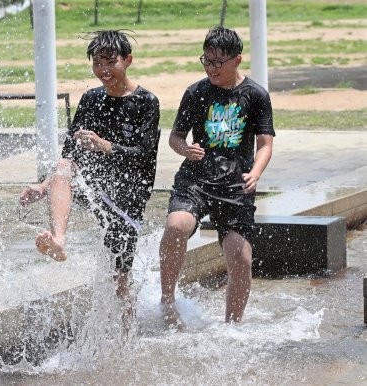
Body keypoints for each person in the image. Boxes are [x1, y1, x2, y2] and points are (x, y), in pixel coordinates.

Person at [19, 30, 161, 330]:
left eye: (110, 62)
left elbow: (145, 155)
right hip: (96, 187)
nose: (104, 70)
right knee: (61, 167)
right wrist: (43, 187)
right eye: (97, 63)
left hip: (128, 197)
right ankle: (59, 238)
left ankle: (127, 337)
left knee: (120, 279)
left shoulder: (146, 102)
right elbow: (70, 152)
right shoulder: (91, 99)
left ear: (128, 60)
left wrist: (104, 145)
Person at [159, 26, 275, 325]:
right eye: (206, 61)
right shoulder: (196, 92)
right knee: (176, 225)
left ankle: (232, 325)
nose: (211, 68)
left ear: (236, 60)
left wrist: (256, 172)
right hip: (196, 179)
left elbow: (265, 144)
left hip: (236, 185)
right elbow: (174, 138)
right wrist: (185, 150)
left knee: (242, 258)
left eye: (217, 62)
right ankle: (167, 301)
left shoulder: (256, 95)